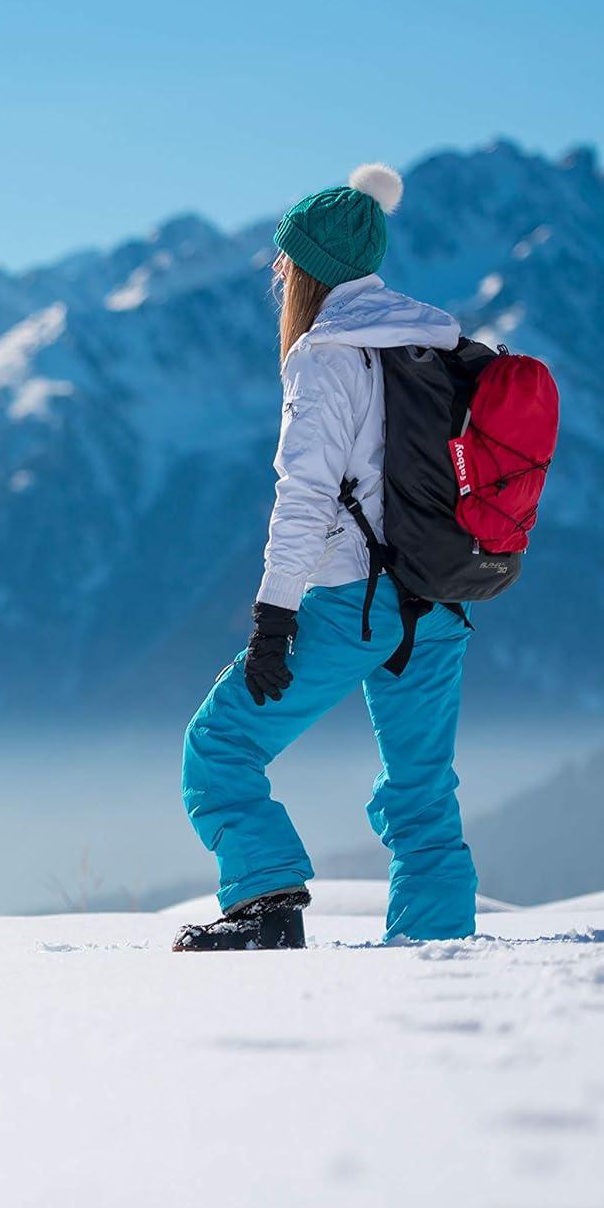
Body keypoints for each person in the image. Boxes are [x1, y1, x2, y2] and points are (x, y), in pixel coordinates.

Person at [174, 162, 478, 952]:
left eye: (286, 257)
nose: (277, 270)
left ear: (312, 267)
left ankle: (266, 904)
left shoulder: (327, 354)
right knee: (422, 793)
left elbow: (305, 496)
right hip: (440, 600)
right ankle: (438, 954)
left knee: (219, 748)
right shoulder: (441, 341)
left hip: (355, 603)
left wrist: (274, 618)